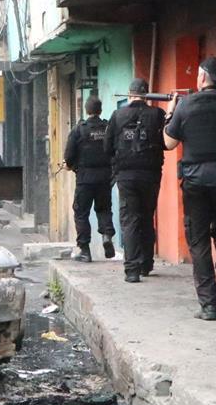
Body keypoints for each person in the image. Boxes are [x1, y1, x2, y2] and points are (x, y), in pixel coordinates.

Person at [164, 57, 216, 320]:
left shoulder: (185, 106)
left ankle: (209, 305)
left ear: (201, 77)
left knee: (198, 240)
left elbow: (169, 143)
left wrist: (170, 113)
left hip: (195, 181)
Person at [105, 78, 167, 283]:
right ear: (147, 94)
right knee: (147, 217)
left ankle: (131, 270)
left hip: (126, 176)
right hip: (150, 176)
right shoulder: (157, 114)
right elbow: (166, 141)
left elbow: (107, 147)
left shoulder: (118, 115)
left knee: (130, 220)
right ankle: (146, 264)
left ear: (130, 94)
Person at [63, 96, 116, 262]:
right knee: (104, 209)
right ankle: (107, 236)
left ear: (87, 110)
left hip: (85, 179)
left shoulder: (79, 130)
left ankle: (85, 251)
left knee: (81, 212)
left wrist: (70, 165)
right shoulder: (108, 128)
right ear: (100, 110)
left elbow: (69, 156)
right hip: (105, 177)